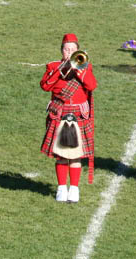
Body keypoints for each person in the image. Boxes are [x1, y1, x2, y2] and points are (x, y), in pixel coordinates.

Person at [40, 33, 97, 203]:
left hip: (78, 114)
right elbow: (45, 85)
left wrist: (80, 71)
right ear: (62, 51)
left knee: (76, 155)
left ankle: (74, 189)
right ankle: (61, 188)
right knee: (61, 154)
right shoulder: (53, 66)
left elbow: (92, 85)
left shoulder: (85, 67)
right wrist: (60, 70)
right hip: (61, 113)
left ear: (77, 51)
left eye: (72, 49)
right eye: (66, 49)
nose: (69, 52)